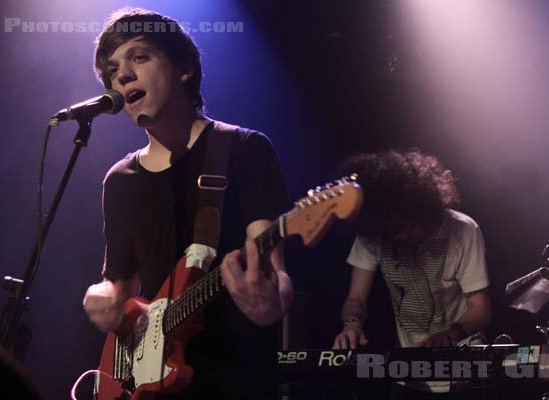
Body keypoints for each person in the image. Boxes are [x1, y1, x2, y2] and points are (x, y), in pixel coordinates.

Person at [81, 8, 293, 400]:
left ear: (185, 68)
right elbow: (122, 289)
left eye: (139, 57)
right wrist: (103, 298)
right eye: (113, 70)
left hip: (236, 378)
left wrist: (271, 304)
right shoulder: (120, 181)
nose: (122, 74)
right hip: (153, 383)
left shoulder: (244, 150)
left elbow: (275, 270)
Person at [332, 150, 492, 398]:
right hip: (407, 371)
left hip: (463, 367)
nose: (399, 237)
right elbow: (356, 298)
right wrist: (351, 325)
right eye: (391, 230)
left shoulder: (464, 230)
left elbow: (480, 309)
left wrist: (449, 334)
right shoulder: (375, 234)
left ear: (420, 210)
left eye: (402, 227)